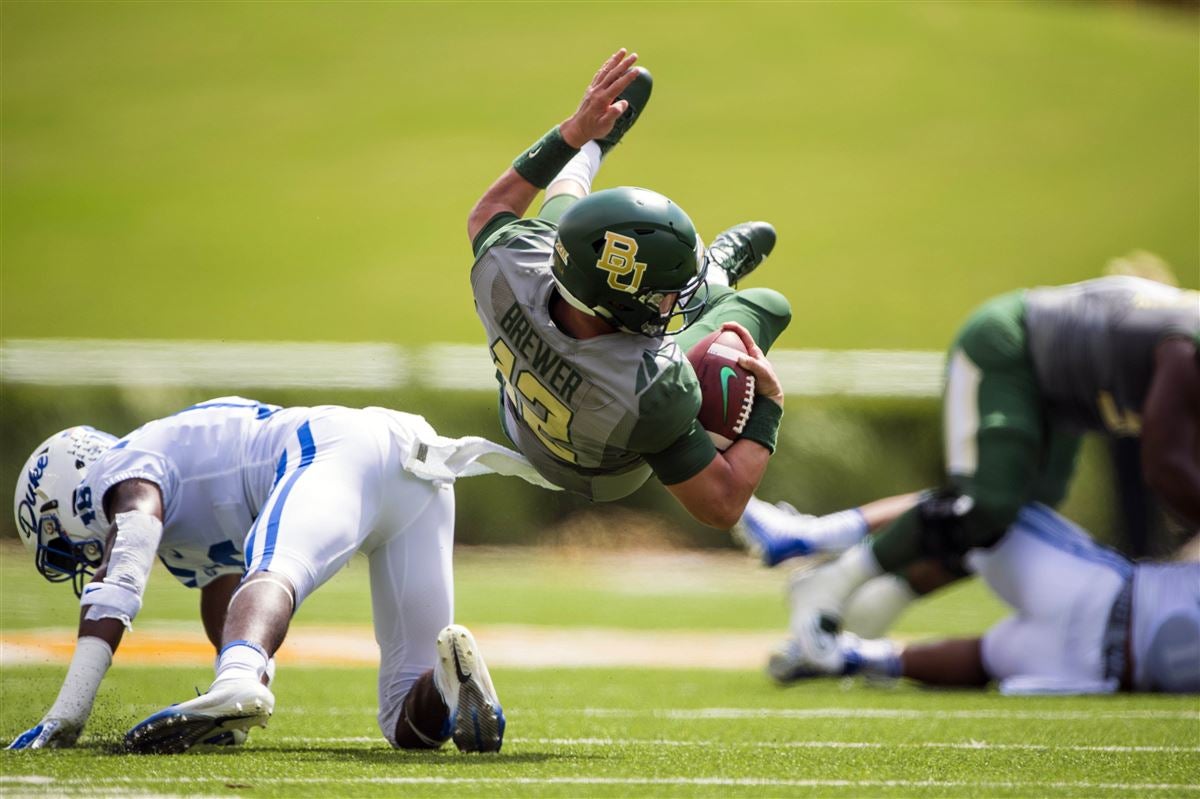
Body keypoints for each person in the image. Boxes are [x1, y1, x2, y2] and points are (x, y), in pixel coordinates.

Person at [8, 397, 552, 753]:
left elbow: (122, 572)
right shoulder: (177, 508)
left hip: (338, 447)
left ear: (69, 488)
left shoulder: (123, 467)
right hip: (417, 470)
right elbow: (224, 601)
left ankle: (236, 681)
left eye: (61, 541)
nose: (75, 555)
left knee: (276, 568)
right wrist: (233, 713)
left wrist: (69, 710)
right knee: (405, 725)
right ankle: (452, 685)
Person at [739, 275, 1199, 656]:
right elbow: (1166, 466)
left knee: (1020, 527)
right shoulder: (1187, 345)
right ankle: (827, 572)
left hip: (1065, 393)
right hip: (1014, 346)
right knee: (987, 504)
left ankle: (864, 597)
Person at [467, 48, 792, 529]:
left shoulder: (506, 266)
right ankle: (719, 273)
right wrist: (770, 406)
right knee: (766, 305)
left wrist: (572, 132)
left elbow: (488, 212)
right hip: (603, 468)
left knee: (561, 221)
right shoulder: (655, 387)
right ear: (624, 304)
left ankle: (591, 147)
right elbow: (721, 506)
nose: (672, 301)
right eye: (668, 292)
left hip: (521, 418)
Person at [767, 503, 1200, 695]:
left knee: (973, 506)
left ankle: (813, 542)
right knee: (972, 513)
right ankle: (848, 650)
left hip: (1095, 622)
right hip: (1104, 664)